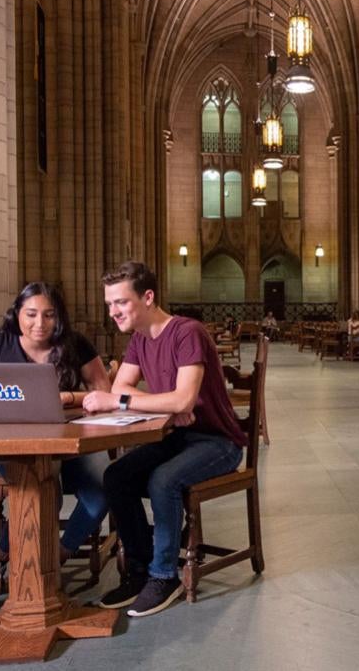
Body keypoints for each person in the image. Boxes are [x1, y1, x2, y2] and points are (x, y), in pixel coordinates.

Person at [86, 262, 246, 617]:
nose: (113, 311)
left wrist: (158, 403)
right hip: (177, 435)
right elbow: (121, 386)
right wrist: (165, 405)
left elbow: (180, 400)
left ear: (147, 297)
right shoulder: (140, 340)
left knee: (163, 481)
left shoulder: (187, 332)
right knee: (117, 477)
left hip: (217, 441)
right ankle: (140, 572)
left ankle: (164, 577)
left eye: (121, 303)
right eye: (109, 304)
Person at [0, 282, 112, 603]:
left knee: (100, 496)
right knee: (44, 496)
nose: (39, 323)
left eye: (48, 315)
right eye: (31, 314)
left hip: (73, 446)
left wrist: (69, 397)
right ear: (17, 314)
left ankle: (55, 557)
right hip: (16, 444)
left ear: (59, 318)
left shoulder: (75, 345)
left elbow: (104, 392)